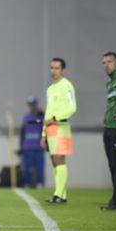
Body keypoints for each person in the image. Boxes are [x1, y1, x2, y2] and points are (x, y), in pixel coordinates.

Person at [41, 58, 77, 204]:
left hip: (61, 128)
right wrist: (43, 134)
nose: (53, 71)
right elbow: (48, 112)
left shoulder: (67, 86)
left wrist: (55, 118)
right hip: (50, 129)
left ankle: (58, 195)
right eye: (52, 68)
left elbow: (72, 107)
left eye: (56, 68)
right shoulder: (50, 89)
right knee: (55, 162)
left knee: (59, 160)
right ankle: (62, 194)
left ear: (63, 70)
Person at [101, 51, 116, 210]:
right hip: (109, 128)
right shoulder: (110, 83)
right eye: (104, 62)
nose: (106, 65)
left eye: (109, 62)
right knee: (112, 165)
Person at [20, 97, 45, 188]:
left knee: (39, 167)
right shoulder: (26, 118)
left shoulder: (42, 117)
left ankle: (39, 183)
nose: (32, 107)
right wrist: (21, 146)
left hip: (38, 147)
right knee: (27, 167)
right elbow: (22, 132)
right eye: (30, 105)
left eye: (33, 105)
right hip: (27, 147)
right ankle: (27, 183)